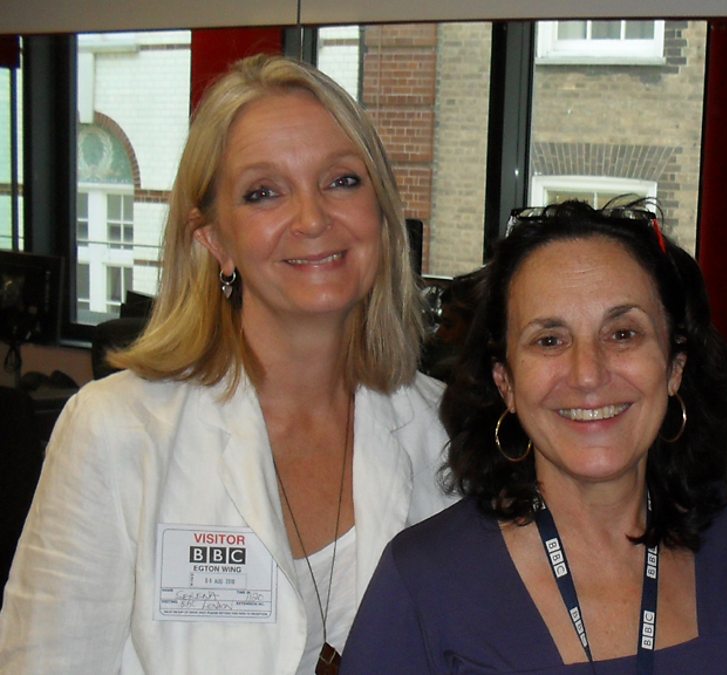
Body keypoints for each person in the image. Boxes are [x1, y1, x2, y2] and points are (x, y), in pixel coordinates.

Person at [0, 54, 457, 674]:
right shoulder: (114, 430)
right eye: (263, 192)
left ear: (381, 213)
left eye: (342, 180)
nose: (313, 218)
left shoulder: (446, 433)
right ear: (215, 240)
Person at [340, 200, 727, 673]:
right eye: (549, 340)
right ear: (506, 383)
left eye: (622, 333)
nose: (588, 374)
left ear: (674, 369)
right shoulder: (425, 582)